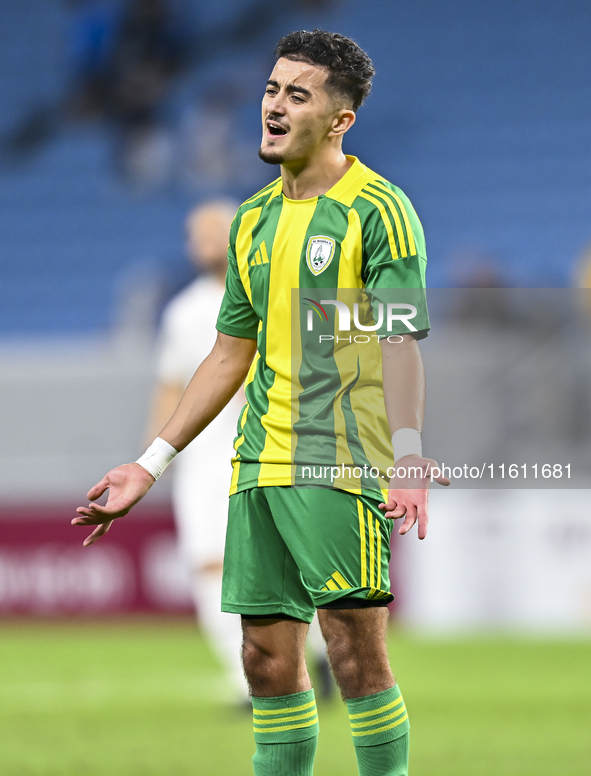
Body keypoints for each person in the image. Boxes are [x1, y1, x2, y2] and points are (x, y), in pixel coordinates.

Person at [74, 29, 449, 776]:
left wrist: (405, 455)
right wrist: (149, 464)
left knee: (352, 651)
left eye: (296, 94)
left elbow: (400, 340)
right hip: (257, 464)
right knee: (264, 658)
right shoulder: (252, 219)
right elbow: (226, 355)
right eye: (272, 89)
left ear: (340, 119)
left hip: (335, 459)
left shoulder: (377, 208)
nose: (273, 106)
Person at [146, 199, 248, 701]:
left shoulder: (270, 293)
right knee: (210, 563)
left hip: (267, 449)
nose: (204, 242)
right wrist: (151, 459)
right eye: (196, 234)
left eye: (214, 231)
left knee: (287, 566)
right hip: (203, 459)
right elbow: (169, 384)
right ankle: (247, 679)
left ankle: (311, 656)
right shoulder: (183, 312)